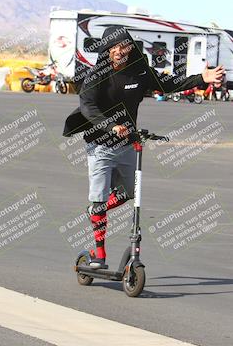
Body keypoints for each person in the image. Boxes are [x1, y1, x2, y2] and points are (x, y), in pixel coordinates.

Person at [63, 26, 225, 269]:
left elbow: (168, 84)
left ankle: (96, 209)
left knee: (128, 194)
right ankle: (99, 255)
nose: (120, 51)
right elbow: (88, 107)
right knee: (98, 197)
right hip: (100, 145)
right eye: (114, 47)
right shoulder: (96, 75)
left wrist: (202, 79)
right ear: (106, 50)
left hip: (128, 145)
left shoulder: (138, 71)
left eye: (124, 46)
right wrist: (111, 126)